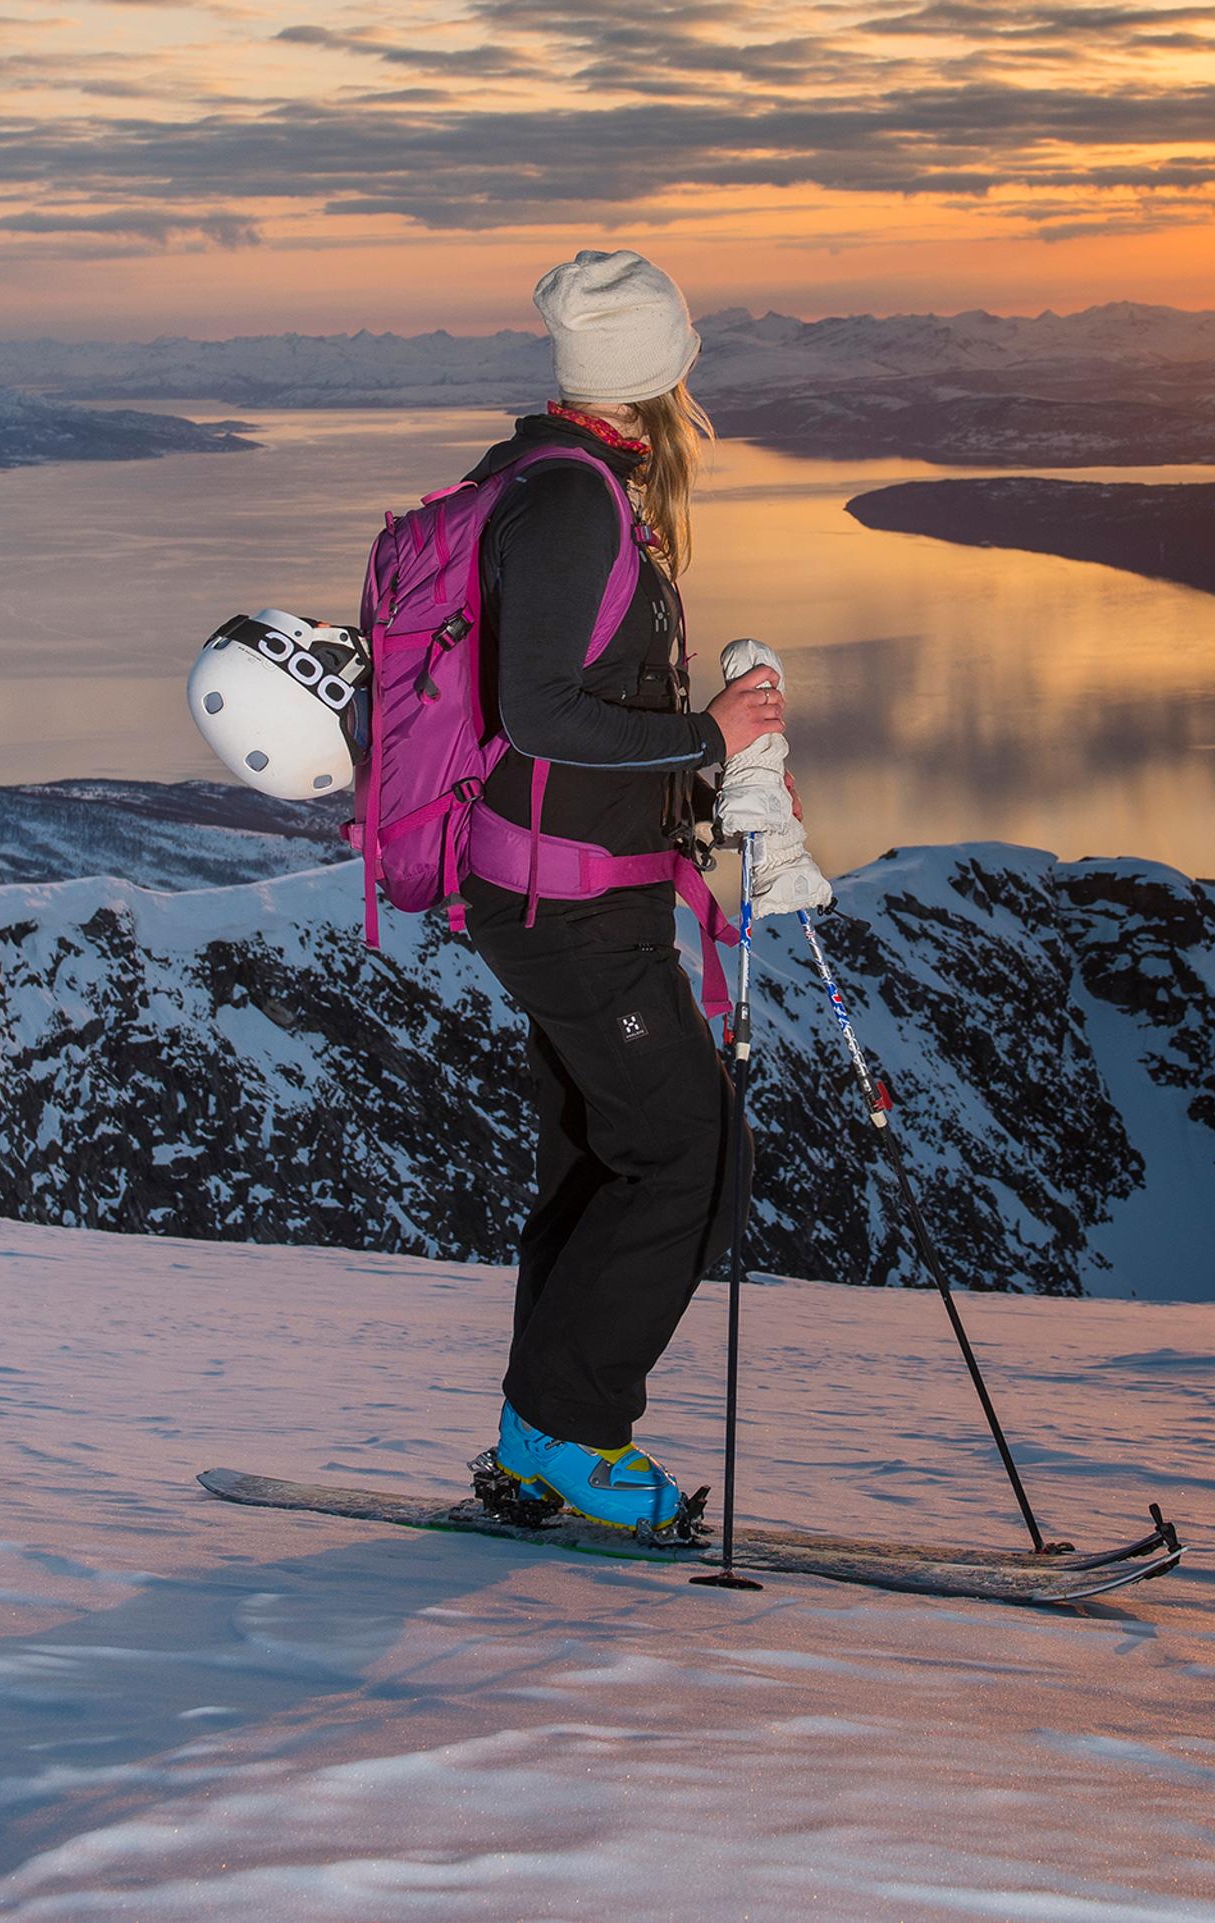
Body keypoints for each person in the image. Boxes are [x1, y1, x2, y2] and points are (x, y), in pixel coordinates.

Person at [466, 250, 787, 1532]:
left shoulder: (553, 480)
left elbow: (576, 707)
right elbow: (537, 712)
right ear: (662, 373)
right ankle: (574, 1436)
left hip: (568, 889)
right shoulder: (574, 505)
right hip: (573, 910)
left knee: (603, 1159)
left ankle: (534, 1431)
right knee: (692, 1160)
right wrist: (707, 739)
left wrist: (706, 778)